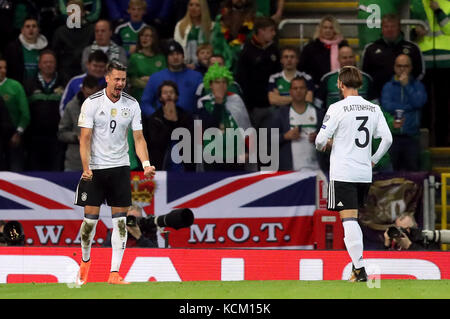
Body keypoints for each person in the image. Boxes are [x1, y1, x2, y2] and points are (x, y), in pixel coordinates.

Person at [75, 60, 156, 285]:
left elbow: (139, 138)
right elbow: (85, 138)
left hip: (120, 167)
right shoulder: (91, 103)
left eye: (123, 79)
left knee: (121, 222)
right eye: (117, 79)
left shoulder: (131, 104)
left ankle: (114, 273)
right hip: (95, 169)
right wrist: (86, 168)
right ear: (107, 78)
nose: (120, 83)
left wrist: (146, 163)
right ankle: (85, 260)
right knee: (89, 222)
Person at [315, 66, 393, 282]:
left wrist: (328, 144)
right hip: (364, 173)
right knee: (353, 219)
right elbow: (387, 139)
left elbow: (320, 140)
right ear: (360, 83)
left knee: (348, 220)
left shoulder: (337, 108)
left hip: (343, 172)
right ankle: (355, 269)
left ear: (340, 84)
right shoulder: (373, 109)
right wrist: (374, 159)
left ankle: (359, 269)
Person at [197, 63, 253, 171]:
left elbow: (245, 126)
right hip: (213, 155)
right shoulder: (203, 102)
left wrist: (247, 150)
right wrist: (218, 103)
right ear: (210, 84)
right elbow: (209, 127)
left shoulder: (236, 99)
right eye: (217, 82)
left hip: (237, 153)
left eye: (224, 82)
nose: (221, 85)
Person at [411, 0, 450, 147]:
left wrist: (438, 11)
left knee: (443, 105)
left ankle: (443, 142)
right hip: (423, 61)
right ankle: (424, 143)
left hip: (446, 62)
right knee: (424, 105)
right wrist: (415, 32)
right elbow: (408, 31)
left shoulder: (447, 5)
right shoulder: (416, 5)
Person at [381, 54, 427, 171]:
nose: (402, 69)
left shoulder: (418, 86)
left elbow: (419, 102)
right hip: (392, 137)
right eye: (399, 66)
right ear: (394, 67)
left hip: (411, 136)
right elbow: (387, 106)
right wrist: (409, 107)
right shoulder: (388, 86)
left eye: (406, 66)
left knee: (413, 173)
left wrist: (406, 86)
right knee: (391, 173)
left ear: (411, 68)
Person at [361, 13, 425, 99]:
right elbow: (365, 76)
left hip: (406, 97)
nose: (389, 29)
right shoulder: (371, 49)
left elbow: (420, 73)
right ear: (382, 28)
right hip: (378, 97)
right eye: (386, 26)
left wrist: (408, 85)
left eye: (393, 26)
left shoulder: (412, 48)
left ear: (399, 28)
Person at [271, 76, 325, 171]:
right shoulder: (281, 114)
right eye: (295, 88)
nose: (298, 91)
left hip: (316, 170)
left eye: (302, 88)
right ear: (290, 91)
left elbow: (331, 141)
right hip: (290, 172)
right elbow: (267, 140)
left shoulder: (319, 113)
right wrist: (285, 136)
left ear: (307, 91)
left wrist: (319, 138)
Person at [236, 16, 280, 130]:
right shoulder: (246, 52)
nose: (274, 33)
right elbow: (242, 80)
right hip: (253, 107)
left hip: (272, 105)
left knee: (270, 143)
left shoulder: (274, 49)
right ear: (261, 31)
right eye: (271, 30)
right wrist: (248, 106)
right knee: (253, 143)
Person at [23, 49, 65, 171]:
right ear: (39, 64)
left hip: (56, 138)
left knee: (55, 172)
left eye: (51, 62)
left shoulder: (64, 81)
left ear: (55, 64)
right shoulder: (29, 84)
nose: (48, 65)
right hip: (34, 138)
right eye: (45, 62)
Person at [140, 40, 203, 116]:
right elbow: (145, 103)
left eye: (178, 54)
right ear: (167, 58)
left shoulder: (196, 76)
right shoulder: (155, 78)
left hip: (190, 123)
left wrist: (198, 123)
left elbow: (203, 102)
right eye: (171, 54)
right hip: (163, 124)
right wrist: (156, 117)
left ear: (183, 56)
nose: (175, 57)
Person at [143, 81, 194, 171]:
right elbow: (155, 144)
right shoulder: (154, 119)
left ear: (176, 96)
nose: (169, 95)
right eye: (165, 93)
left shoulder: (186, 117)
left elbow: (190, 141)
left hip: (184, 165)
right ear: (160, 97)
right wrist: (168, 121)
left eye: (171, 92)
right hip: (161, 165)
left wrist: (175, 121)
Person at [58, 75, 101, 171]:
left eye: (93, 95)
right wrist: (76, 137)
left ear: (98, 90)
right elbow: (61, 133)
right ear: (82, 89)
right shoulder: (71, 107)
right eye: (87, 94)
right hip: (75, 163)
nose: (90, 98)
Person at [315, 44, 375, 110]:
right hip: (335, 118)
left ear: (355, 58)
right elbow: (318, 104)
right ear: (338, 59)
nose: (348, 60)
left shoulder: (366, 78)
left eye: (350, 57)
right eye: (344, 58)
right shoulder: (327, 78)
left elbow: (374, 103)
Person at [51, 0, 95, 85]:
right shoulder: (60, 32)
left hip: (88, 71)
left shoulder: (92, 30)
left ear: (83, 13)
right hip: (65, 73)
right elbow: (55, 55)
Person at [298, 15, 348, 89]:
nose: (328, 30)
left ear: (335, 30)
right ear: (320, 29)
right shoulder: (311, 47)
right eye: (325, 27)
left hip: (341, 87)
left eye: (331, 28)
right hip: (317, 86)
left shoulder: (343, 46)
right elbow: (302, 68)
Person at [211, 0, 261, 73]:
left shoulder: (256, 17)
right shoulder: (222, 17)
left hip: (248, 65)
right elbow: (216, 44)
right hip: (224, 64)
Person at [0, 58, 30, 172]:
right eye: (0, 68)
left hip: (12, 135)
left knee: (15, 171)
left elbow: (25, 114)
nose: (3, 70)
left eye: (5, 68)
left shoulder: (15, 86)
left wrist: (18, 133)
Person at [59, 50, 108, 116]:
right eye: (95, 66)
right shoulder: (75, 82)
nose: (98, 69)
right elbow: (63, 107)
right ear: (88, 64)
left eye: (101, 66)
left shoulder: (112, 84)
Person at [3, 16, 49, 84]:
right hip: (19, 86)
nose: (31, 29)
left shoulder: (46, 48)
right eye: (27, 26)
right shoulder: (12, 48)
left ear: (38, 30)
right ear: (22, 30)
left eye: (34, 26)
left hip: (39, 88)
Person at [127, 25, 166, 102]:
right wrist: (152, 82)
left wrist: (150, 79)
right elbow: (132, 80)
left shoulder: (161, 58)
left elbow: (164, 79)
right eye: (142, 35)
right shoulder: (135, 57)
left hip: (157, 98)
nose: (144, 38)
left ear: (154, 39)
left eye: (148, 36)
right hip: (139, 97)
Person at [174, 0, 213, 67]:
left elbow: (213, 47)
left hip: (206, 64)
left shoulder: (211, 26)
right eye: (191, 5)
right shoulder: (180, 25)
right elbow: (177, 47)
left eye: (197, 5)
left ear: (203, 8)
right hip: (186, 64)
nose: (193, 8)